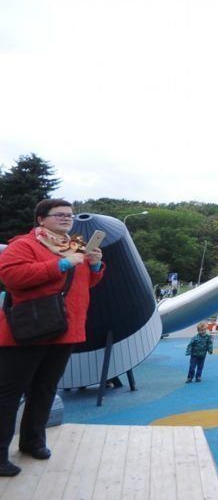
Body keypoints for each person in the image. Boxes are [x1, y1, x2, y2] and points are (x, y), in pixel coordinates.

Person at [0, 199, 104, 477]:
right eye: (59, 215)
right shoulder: (24, 245)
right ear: (40, 219)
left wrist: (95, 266)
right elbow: (12, 276)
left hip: (65, 329)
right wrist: (61, 264)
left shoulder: (75, 246)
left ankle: (33, 442)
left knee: (45, 390)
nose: (67, 219)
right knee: (8, 394)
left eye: (69, 215)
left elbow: (84, 283)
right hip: (29, 331)